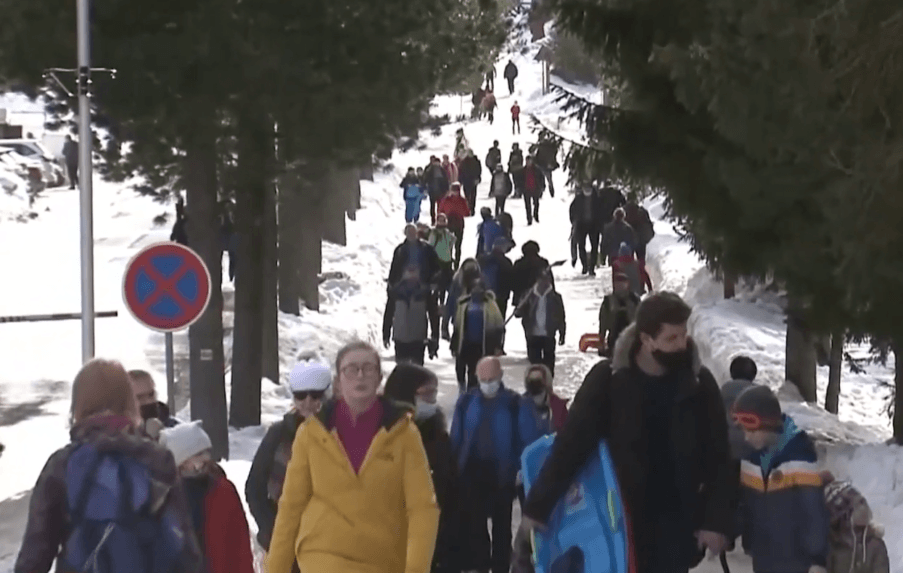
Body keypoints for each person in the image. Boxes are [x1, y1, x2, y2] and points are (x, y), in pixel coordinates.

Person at [521, 292, 736, 573]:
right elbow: (571, 446)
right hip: (621, 522)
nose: (682, 345)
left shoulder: (699, 384)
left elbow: (720, 455)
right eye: (671, 338)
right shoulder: (608, 380)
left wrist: (716, 522)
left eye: (684, 335)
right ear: (646, 339)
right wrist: (538, 506)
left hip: (678, 523)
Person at [15, 359, 203, 573]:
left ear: (78, 405)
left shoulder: (62, 465)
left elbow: (35, 554)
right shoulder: (156, 459)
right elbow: (184, 548)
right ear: (129, 402)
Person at [266, 341, 440, 573]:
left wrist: (416, 568)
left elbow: (422, 509)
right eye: (351, 369)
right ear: (338, 382)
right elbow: (290, 508)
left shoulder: (404, 434)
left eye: (368, 368)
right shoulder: (311, 433)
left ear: (379, 379)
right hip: (321, 559)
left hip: (383, 562)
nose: (360, 375)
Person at [450, 356, 537, 573]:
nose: (488, 382)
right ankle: (480, 566)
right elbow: (456, 438)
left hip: (503, 476)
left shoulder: (515, 403)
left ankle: (500, 567)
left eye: (492, 378)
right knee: (475, 528)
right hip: (471, 474)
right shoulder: (466, 402)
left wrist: (521, 468)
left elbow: (527, 439)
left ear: (500, 376)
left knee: (502, 529)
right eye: (483, 378)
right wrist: (453, 469)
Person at [732, 384, 829, 573]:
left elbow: (813, 512)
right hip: (764, 559)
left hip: (797, 562)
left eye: (751, 431)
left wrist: (817, 559)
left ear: (768, 425)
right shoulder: (751, 458)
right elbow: (747, 506)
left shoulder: (799, 455)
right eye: (743, 431)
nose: (746, 438)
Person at [246, 361, 330, 558]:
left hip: (327, 539)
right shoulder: (279, 433)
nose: (308, 402)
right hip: (284, 536)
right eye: (301, 396)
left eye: (315, 395)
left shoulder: (338, 433)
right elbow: (255, 486)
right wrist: (272, 529)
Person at [384, 364, 458, 573]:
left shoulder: (439, 438)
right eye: (426, 393)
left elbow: (452, 493)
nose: (432, 401)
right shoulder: (382, 437)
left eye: (434, 393)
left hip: (434, 544)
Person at [161, 422, 254, 573]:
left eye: (206, 452)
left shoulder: (223, 490)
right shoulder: (166, 496)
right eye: (198, 454)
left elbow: (240, 544)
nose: (206, 457)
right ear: (182, 460)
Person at [821, 475, 890, 573]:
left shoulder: (875, 544)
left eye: (862, 503)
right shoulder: (833, 545)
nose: (863, 510)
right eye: (857, 506)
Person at [450, 281, 505, 392]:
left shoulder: (491, 304)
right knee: (460, 367)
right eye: (475, 288)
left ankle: (471, 392)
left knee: (473, 371)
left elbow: (499, 325)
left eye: (480, 288)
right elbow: (457, 325)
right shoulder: (463, 304)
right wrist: (454, 344)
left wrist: (498, 345)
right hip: (464, 342)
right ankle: (461, 387)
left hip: (482, 343)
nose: (477, 290)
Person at [383, 265, 441, 365]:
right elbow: (389, 313)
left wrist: (435, 336)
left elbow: (433, 315)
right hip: (401, 338)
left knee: (417, 373)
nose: (411, 275)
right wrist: (386, 334)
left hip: (418, 339)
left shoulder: (424, 293)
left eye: (414, 272)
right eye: (409, 271)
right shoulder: (396, 292)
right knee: (402, 371)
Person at [514, 269, 566, 376]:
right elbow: (518, 314)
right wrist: (519, 308)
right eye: (542, 279)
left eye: (546, 279)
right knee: (534, 366)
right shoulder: (528, 296)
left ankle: (548, 385)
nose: (544, 282)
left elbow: (561, 316)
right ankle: (536, 386)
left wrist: (562, 332)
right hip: (533, 335)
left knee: (549, 366)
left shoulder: (555, 297)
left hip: (549, 335)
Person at [721, 355, 759, 461]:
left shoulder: (721, 392)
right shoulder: (762, 396)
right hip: (752, 452)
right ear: (753, 376)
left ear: (731, 374)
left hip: (724, 449)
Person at [598, 272, 642, 357]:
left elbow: (642, 320)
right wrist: (601, 342)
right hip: (614, 341)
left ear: (627, 284)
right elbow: (603, 323)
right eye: (618, 284)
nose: (620, 286)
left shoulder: (634, 300)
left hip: (633, 341)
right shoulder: (608, 301)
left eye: (622, 283)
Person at [128, 369, 180, 440]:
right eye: (139, 397)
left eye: (151, 395)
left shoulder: (176, 429)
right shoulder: (117, 437)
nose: (148, 401)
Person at [387, 223, 441, 289]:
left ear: (416, 233)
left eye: (413, 232)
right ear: (405, 234)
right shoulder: (400, 250)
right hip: (404, 286)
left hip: (423, 285)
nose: (412, 234)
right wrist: (391, 283)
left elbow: (435, 265)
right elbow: (394, 268)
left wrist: (434, 281)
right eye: (409, 232)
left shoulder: (426, 248)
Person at [443, 258, 485, 340]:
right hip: (460, 322)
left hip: (475, 324)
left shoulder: (481, 286)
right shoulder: (457, 284)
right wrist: (444, 326)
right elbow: (450, 303)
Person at [523, 363, 569, 434]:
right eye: (532, 380)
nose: (535, 385)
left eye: (538, 380)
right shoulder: (518, 404)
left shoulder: (558, 406)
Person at [478, 237, 515, 319]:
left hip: (484, 295)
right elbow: (511, 281)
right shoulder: (506, 262)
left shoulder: (483, 259)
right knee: (499, 321)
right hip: (500, 298)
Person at [569, 184, 602, 275]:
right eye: (585, 188)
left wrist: (600, 223)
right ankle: (584, 266)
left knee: (594, 247)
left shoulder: (597, 199)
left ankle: (592, 267)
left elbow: (602, 212)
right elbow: (572, 210)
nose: (586, 189)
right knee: (581, 246)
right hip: (581, 226)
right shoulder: (578, 199)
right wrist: (574, 221)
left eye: (588, 188)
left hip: (594, 226)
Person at [511, 240, 555, 307]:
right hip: (540, 295)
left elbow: (513, 281)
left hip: (522, 296)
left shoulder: (519, 263)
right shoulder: (542, 262)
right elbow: (549, 279)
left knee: (525, 314)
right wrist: (553, 294)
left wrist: (516, 297)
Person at [438, 183, 471, 267]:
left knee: (457, 245)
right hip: (450, 223)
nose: (455, 193)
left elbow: (467, 212)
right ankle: (448, 262)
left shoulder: (461, 200)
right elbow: (440, 210)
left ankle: (456, 264)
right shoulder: (447, 199)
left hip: (458, 224)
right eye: (453, 190)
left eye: (456, 191)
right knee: (449, 245)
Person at [428, 214, 457, 303]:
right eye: (440, 220)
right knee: (437, 284)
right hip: (438, 262)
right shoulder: (434, 232)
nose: (441, 222)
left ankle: (441, 302)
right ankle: (436, 304)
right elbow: (430, 245)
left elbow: (453, 240)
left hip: (446, 262)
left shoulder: (447, 232)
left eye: (443, 220)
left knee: (444, 285)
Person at [624, 191, 655, 262]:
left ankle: (630, 272)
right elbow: (648, 225)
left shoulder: (623, 212)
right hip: (640, 240)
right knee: (641, 260)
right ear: (636, 199)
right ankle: (641, 271)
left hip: (627, 241)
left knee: (628, 261)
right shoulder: (642, 211)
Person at [520, 155, 546, 225]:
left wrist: (542, 186)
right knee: (527, 206)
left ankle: (536, 215)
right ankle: (529, 219)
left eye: (529, 161)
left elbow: (542, 178)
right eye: (527, 161)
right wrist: (520, 188)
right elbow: (520, 180)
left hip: (535, 189)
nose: (528, 162)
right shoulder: (523, 170)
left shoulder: (537, 169)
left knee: (536, 203)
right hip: (526, 190)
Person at [425, 156, 451, 225]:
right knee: (432, 207)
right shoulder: (430, 170)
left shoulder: (442, 170)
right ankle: (433, 220)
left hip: (441, 192)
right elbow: (425, 179)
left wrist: (447, 189)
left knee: (440, 207)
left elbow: (446, 180)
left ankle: (439, 220)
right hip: (432, 191)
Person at [459, 149, 483, 215]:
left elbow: (479, 171)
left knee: (471, 195)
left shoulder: (466, 161)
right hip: (468, 180)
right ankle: (470, 208)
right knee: (471, 195)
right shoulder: (466, 161)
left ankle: (470, 208)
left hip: (470, 181)